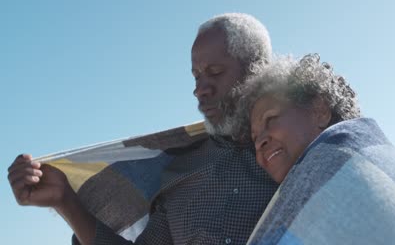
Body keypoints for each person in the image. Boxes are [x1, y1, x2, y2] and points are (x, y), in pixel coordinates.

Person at [7, 13, 278, 245]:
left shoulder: (303, 146)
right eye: (196, 76)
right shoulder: (180, 172)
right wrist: (65, 201)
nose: (200, 89)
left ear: (259, 69)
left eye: (215, 71)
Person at [232, 54, 395, 244]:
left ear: (319, 110)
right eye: (254, 138)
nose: (260, 142)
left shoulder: (329, 166)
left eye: (271, 119)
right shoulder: (373, 158)